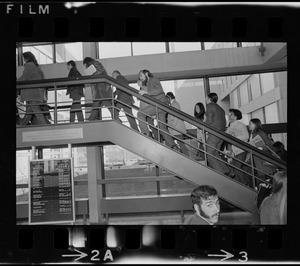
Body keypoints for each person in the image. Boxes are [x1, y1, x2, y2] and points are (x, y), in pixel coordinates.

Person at [136, 70, 180, 152]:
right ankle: (174, 146)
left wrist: (146, 92)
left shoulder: (154, 80)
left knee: (140, 114)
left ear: (146, 74)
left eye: (141, 76)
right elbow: (152, 94)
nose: (140, 78)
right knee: (161, 127)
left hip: (160, 104)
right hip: (161, 106)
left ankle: (147, 134)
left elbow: (159, 90)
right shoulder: (148, 84)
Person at [17, 51, 47, 125]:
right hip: (35, 93)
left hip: (31, 93)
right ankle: (21, 125)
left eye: (23, 58)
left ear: (26, 58)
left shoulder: (29, 65)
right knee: (28, 113)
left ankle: (45, 126)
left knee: (35, 110)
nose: (23, 60)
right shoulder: (36, 66)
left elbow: (24, 77)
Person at [224, 109, 251, 186]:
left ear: (236, 116)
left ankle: (245, 184)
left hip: (240, 150)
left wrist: (235, 138)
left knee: (237, 167)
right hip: (232, 150)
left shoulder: (240, 125)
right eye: (229, 114)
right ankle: (240, 184)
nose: (229, 116)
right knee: (233, 168)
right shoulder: (229, 125)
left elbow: (246, 136)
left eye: (231, 114)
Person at [204, 93, 229, 174]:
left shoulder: (210, 106)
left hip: (214, 133)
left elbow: (209, 121)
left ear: (210, 99)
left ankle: (222, 174)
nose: (205, 98)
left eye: (206, 97)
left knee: (209, 154)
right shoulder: (221, 109)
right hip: (221, 134)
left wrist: (202, 127)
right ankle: (227, 171)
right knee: (215, 153)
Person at [247, 118, 277, 184]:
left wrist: (259, 148)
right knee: (260, 178)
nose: (249, 125)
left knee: (263, 179)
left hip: (262, 159)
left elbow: (269, 146)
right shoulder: (251, 134)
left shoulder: (261, 133)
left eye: (250, 124)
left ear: (255, 124)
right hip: (256, 159)